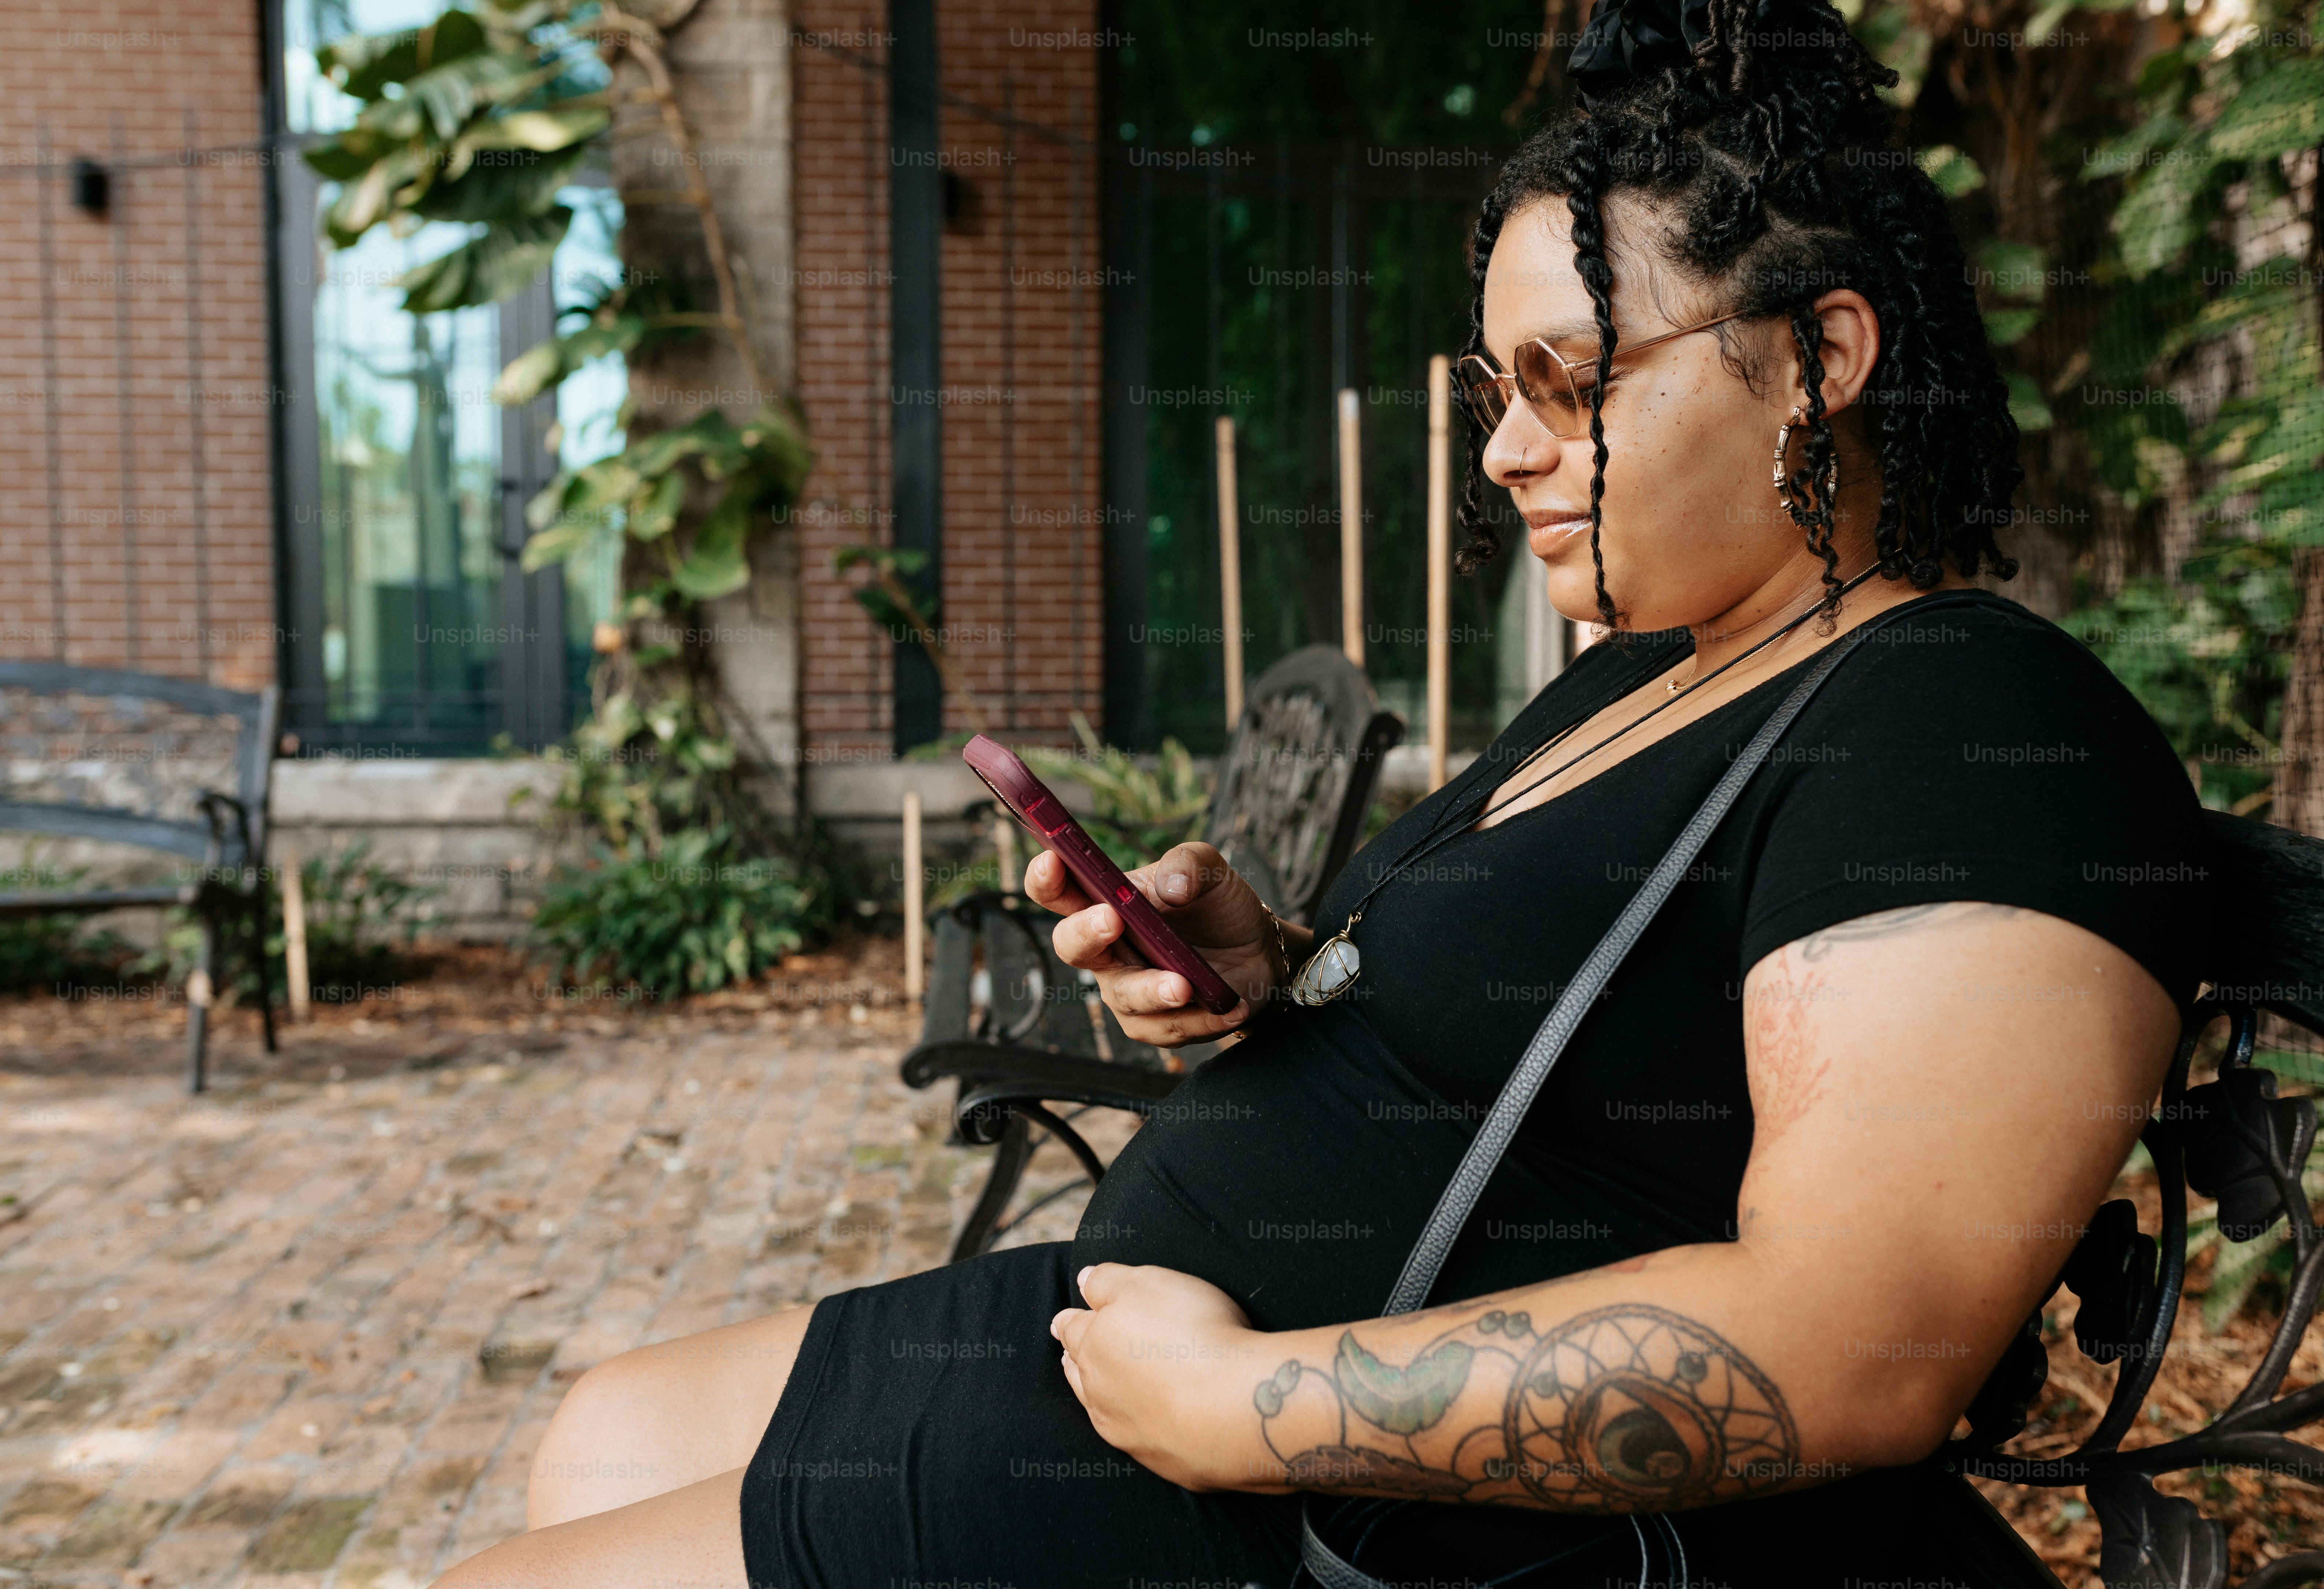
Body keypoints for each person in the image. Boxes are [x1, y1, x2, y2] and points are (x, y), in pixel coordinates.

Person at [429, 0, 2210, 1583]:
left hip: (1334, 1494)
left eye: (1568, 381)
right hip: (1167, 1369)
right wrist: (1271, 972)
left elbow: (1864, 1340)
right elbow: (1565, 1065)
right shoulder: (1648, 670)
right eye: (1491, 388)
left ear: (1820, 359)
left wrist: (1249, 1406)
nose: (1505, 446)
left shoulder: (1964, 724)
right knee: (599, 1428)